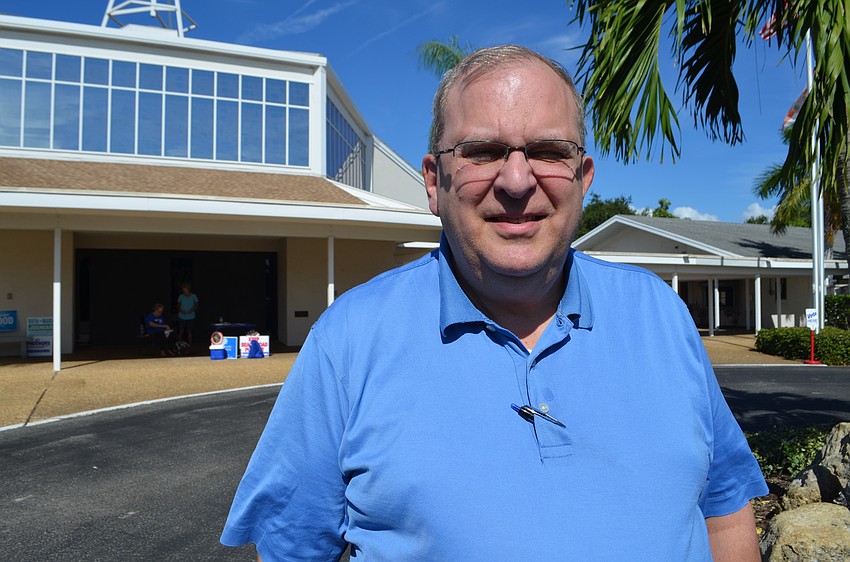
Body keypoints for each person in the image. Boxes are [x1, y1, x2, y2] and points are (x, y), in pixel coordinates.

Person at [221, 45, 767, 561]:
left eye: (549, 151)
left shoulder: (660, 314)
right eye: (481, 152)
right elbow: (291, 548)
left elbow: (723, 509)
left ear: (584, 178)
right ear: (433, 183)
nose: (516, 180)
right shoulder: (349, 340)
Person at [176, 282, 199, 347]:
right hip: (182, 316)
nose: (184, 290)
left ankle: (190, 345)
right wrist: (181, 310)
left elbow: (196, 305)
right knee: (181, 331)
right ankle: (178, 344)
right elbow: (178, 305)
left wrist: (191, 310)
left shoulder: (194, 296)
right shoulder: (181, 296)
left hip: (191, 316)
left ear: (188, 289)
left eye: (185, 289)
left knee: (189, 331)